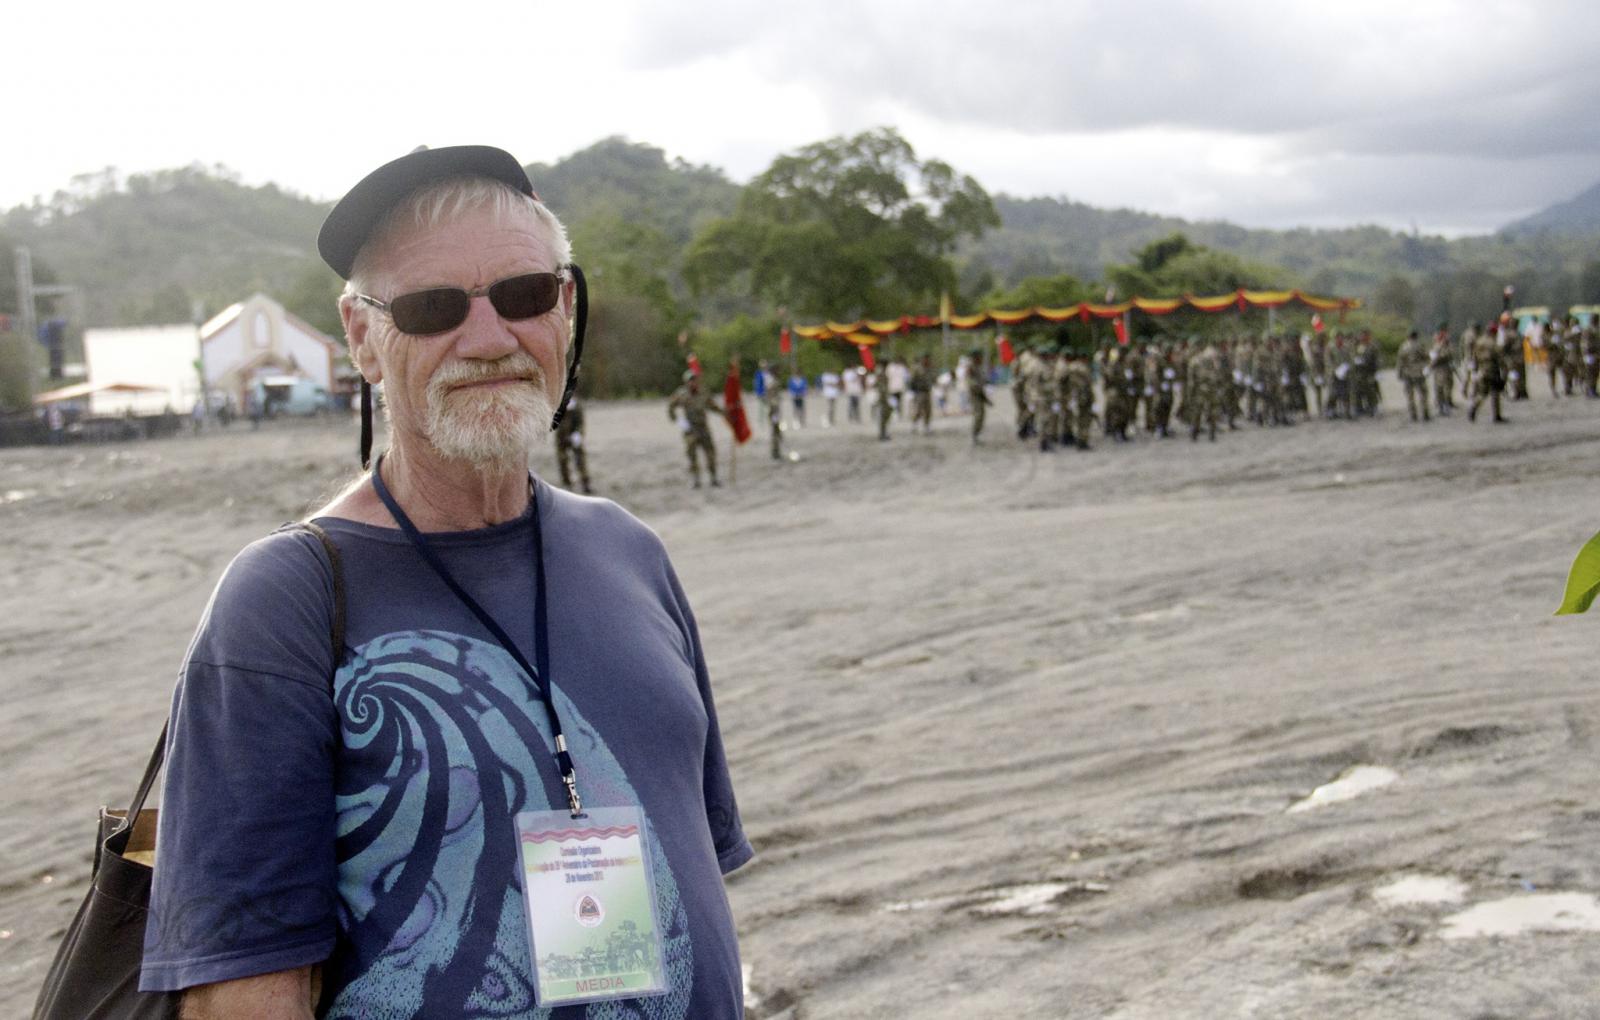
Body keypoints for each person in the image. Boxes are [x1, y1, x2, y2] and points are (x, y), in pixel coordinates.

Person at [140, 146, 753, 1018]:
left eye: (524, 295)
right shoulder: (282, 602)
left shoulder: (630, 551)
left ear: (565, 307)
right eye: (432, 310)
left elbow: (694, 872)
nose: (491, 338)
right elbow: (241, 987)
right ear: (361, 337)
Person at [668, 370, 726, 487]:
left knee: (710, 453)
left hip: (703, 428)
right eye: (690, 380)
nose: (693, 383)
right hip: (690, 429)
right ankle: (696, 479)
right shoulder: (681, 394)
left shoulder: (703, 393)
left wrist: (724, 412)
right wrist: (679, 421)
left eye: (694, 380)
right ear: (686, 382)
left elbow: (712, 406)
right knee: (692, 455)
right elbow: (671, 407)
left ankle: (713, 478)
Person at [553, 391, 592, 493]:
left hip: (574, 434)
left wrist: (578, 434)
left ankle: (585, 482)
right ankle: (567, 482)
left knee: (580, 458)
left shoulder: (577, 406)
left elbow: (581, 423)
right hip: (561, 436)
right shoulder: (559, 404)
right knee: (563, 459)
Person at [1395, 329, 1430, 422]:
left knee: (1410, 395)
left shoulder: (1403, 346)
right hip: (1419, 372)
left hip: (1407, 373)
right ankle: (1425, 413)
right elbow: (1427, 357)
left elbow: (1400, 361)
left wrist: (1399, 373)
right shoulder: (1420, 346)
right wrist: (1426, 367)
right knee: (1423, 394)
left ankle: (1413, 415)